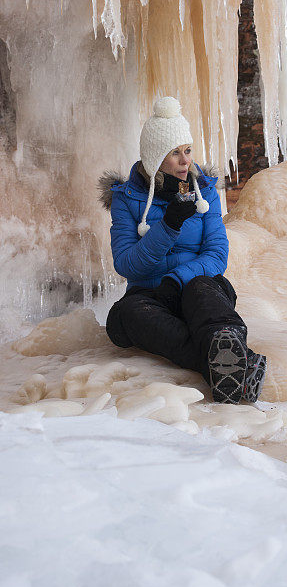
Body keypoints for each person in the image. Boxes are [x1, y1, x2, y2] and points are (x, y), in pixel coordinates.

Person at [98, 96, 267, 404]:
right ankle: (233, 366)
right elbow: (126, 264)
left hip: (198, 286)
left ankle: (227, 351)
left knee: (203, 289)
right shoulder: (126, 198)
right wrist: (169, 226)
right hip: (150, 295)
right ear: (154, 158)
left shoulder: (206, 190)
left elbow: (217, 254)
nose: (185, 160)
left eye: (187, 150)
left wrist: (177, 279)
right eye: (174, 153)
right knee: (127, 314)